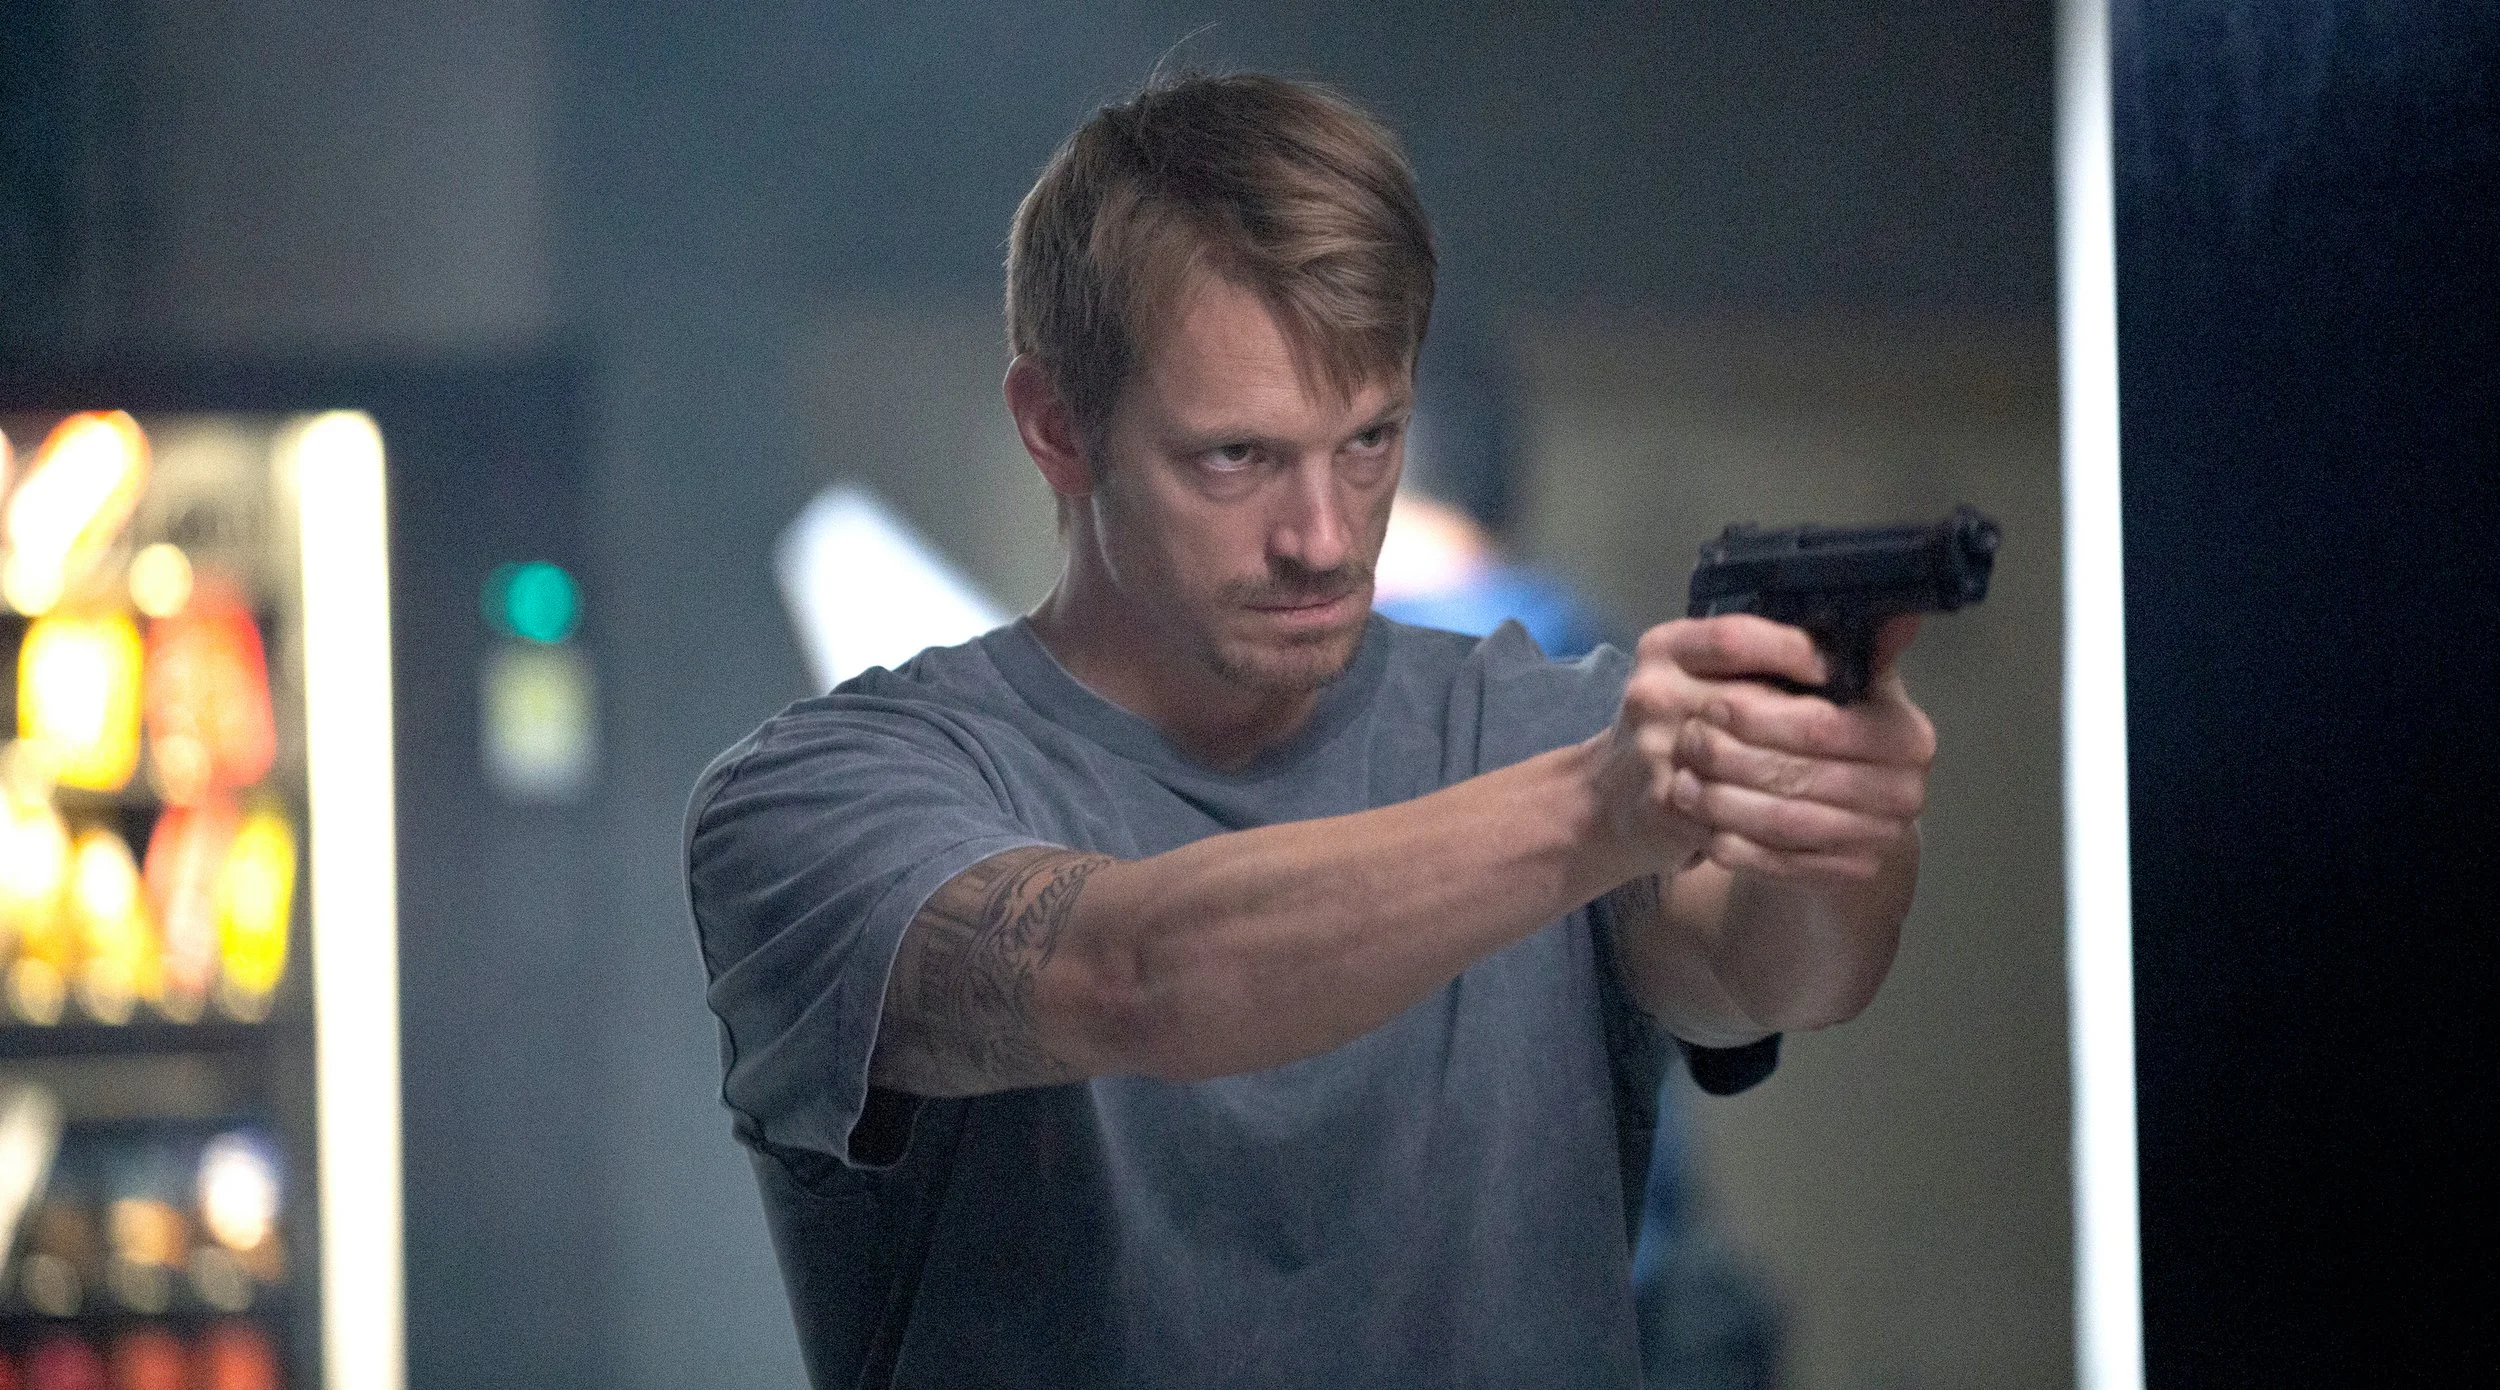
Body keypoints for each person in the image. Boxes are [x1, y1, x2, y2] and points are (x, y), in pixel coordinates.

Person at [685, 72, 1935, 1389]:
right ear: (1057, 426)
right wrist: (1599, 806)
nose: (1325, 539)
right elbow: (1130, 973)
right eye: (1236, 457)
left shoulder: (1548, 725)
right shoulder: (823, 799)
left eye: (1369, 441)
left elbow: (1773, 971)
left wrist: (1831, 820)